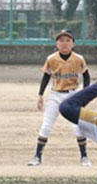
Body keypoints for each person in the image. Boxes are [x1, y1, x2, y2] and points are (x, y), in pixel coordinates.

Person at [28, 29, 92, 167]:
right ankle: (37, 157)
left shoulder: (79, 58)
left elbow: (86, 75)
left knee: (78, 127)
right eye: (61, 40)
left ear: (73, 44)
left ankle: (84, 157)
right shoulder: (51, 58)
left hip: (73, 95)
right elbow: (46, 76)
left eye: (68, 40)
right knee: (46, 125)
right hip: (55, 95)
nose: (64, 43)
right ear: (57, 44)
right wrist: (40, 95)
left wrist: (85, 94)